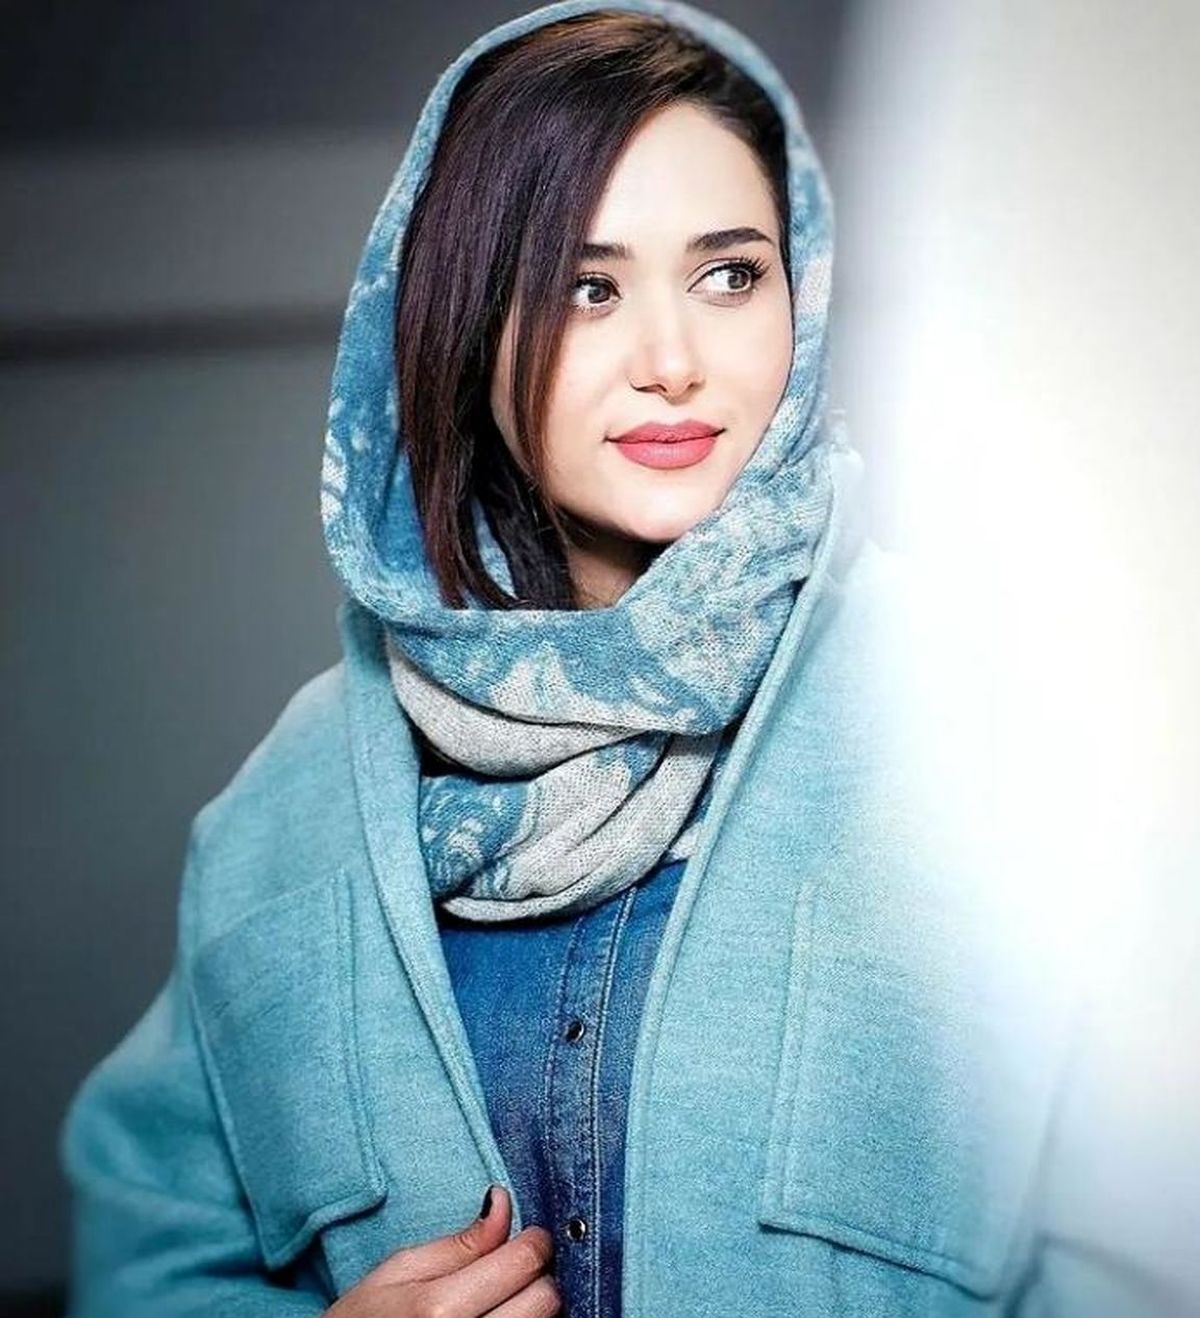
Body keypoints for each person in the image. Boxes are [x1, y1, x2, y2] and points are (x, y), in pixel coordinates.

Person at [58, 2, 1197, 1316]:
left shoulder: (999, 722)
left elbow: (1152, 1239)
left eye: (730, 276)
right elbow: (146, 1254)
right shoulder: (293, 805)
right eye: (586, 288)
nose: (672, 362)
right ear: (469, 328)